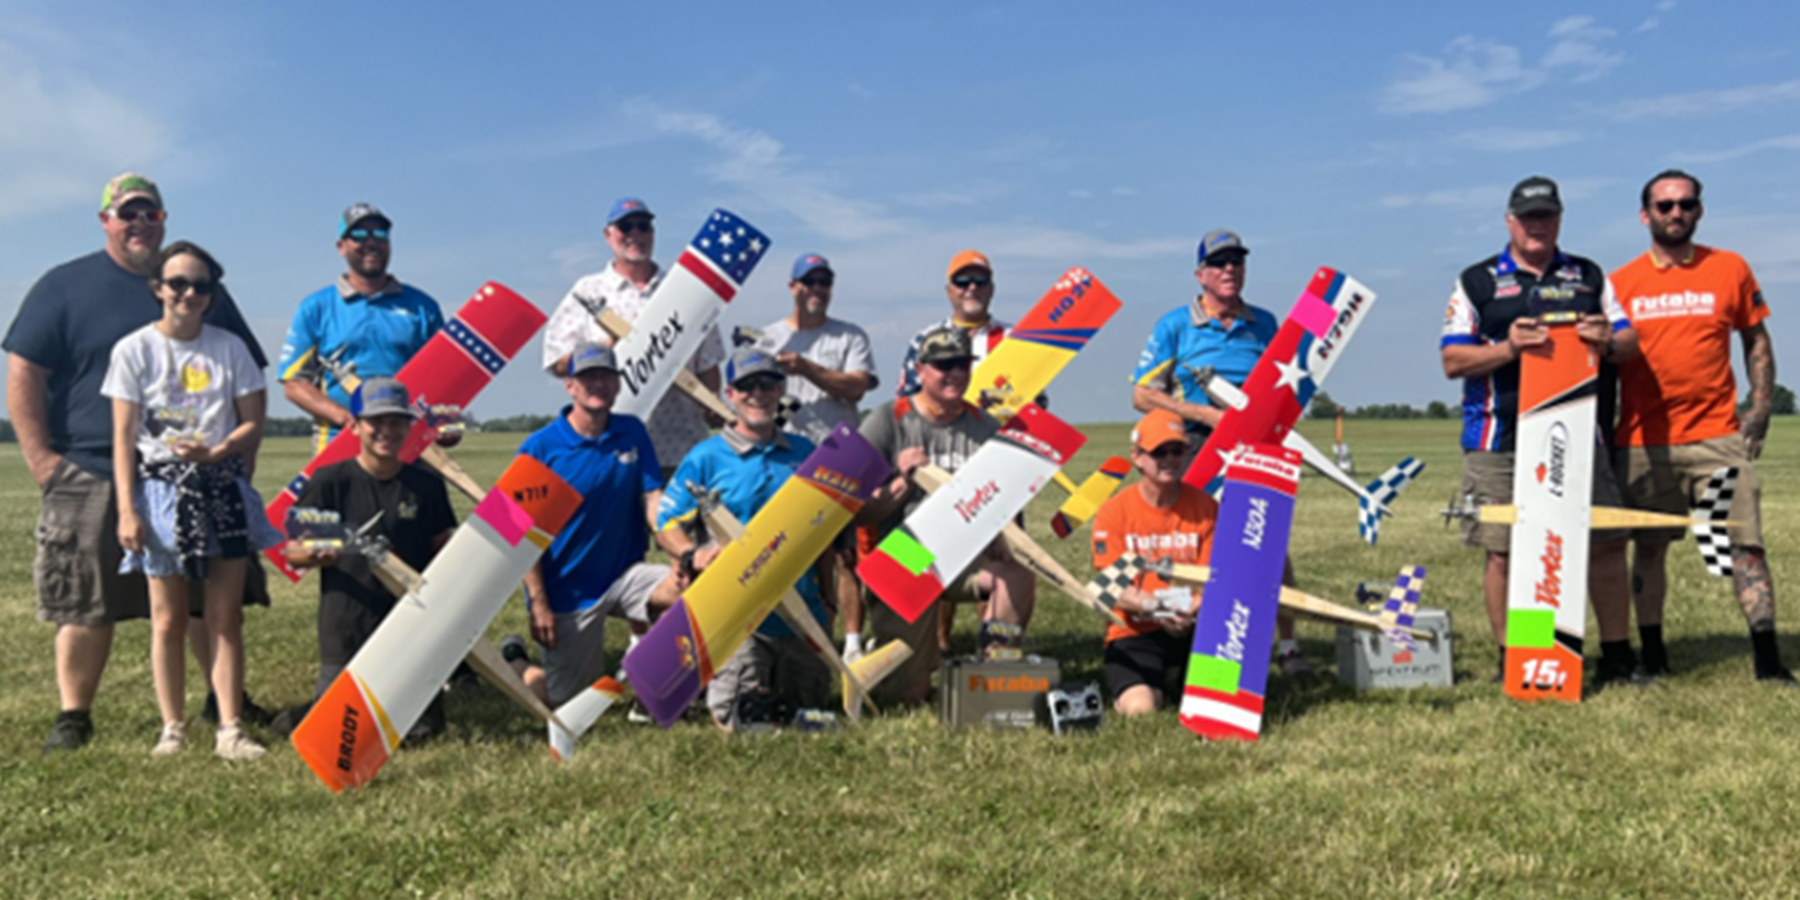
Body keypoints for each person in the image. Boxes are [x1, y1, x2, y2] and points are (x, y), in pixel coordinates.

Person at [5, 173, 267, 753]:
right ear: (106, 220)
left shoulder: (207, 290)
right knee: (85, 599)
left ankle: (223, 703)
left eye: (151, 213)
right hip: (90, 467)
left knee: (204, 601)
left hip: (200, 477)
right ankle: (74, 715)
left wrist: (234, 466)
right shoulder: (63, 286)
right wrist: (43, 460)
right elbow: (24, 370)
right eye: (128, 213)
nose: (140, 223)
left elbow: (248, 385)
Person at [1439, 175, 1647, 689]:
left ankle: (1617, 658)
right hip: (1498, 439)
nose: (1538, 225)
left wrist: (1607, 339)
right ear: (1509, 221)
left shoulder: (1588, 274)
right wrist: (1508, 348)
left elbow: (1630, 342)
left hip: (1577, 436)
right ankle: (1520, 655)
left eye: (1547, 216)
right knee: (1505, 552)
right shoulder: (1477, 281)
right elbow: (1453, 359)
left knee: (1605, 544)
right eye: (1529, 216)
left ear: (1559, 220)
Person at [1611, 169, 1795, 686]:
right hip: (1643, 442)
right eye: (1665, 205)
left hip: (1718, 438)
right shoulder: (1619, 283)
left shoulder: (1729, 268)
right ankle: (1653, 654)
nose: (1677, 213)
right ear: (1645, 215)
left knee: (1744, 544)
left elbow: (1755, 339)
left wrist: (1760, 407)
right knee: (1649, 548)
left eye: (1686, 204)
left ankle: (1768, 660)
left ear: (1700, 210)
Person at [103, 241, 284, 759]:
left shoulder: (231, 348)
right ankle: (173, 727)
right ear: (157, 288)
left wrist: (220, 451)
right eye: (178, 283)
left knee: (225, 617)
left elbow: (253, 422)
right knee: (168, 619)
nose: (189, 293)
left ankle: (230, 727)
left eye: (200, 285)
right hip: (161, 491)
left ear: (211, 293)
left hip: (221, 486)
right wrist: (128, 510)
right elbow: (123, 437)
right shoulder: (133, 350)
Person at [1129, 230, 1309, 674]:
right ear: (1200, 274)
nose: (1229, 269)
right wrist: (1205, 415)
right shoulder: (1175, 325)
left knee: (1267, 541)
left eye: (1236, 261)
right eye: (1219, 262)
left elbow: (1289, 384)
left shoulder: (1264, 323)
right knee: (1197, 543)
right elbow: (1142, 394)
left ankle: (1287, 646)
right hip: (1194, 447)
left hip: (1255, 448)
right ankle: (1194, 641)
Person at [853, 325, 1036, 704]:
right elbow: (856, 510)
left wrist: (1000, 534)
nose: (954, 373)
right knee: (908, 695)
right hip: (906, 552)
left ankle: (992, 677)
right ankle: (888, 657)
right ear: (920, 370)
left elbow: (1002, 498)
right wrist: (901, 482)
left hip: (962, 551)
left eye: (962, 365)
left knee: (1016, 577)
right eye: (943, 365)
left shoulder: (984, 426)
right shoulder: (887, 419)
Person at [655, 347, 835, 728]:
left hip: (803, 615)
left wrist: (830, 602)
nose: (758, 394)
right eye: (747, 386)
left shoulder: (805, 453)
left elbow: (825, 533)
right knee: (737, 720)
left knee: (810, 717)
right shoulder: (706, 457)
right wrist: (691, 555)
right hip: (740, 619)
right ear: (730, 395)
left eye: (768, 384)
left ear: (780, 390)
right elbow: (666, 522)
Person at [276, 378, 460, 739]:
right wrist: (314, 553)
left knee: (422, 733)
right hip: (347, 625)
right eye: (376, 421)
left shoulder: (426, 485)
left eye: (396, 422)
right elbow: (292, 552)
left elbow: (441, 548)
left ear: (408, 427)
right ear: (356, 426)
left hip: (409, 624)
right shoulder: (329, 482)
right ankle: (297, 718)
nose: (386, 431)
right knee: (336, 733)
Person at [517, 343, 679, 708]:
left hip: (625, 575)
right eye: (588, 377)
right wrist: (538, 602)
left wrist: (679, 553)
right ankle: (517, 663)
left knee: (693, 591)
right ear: (570, 386)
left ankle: (651, 682)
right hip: (568, 592)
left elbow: (653, 497)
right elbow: (520, 534)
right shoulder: (539, 448)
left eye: (606, 376)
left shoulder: (632, 431)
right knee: (566, 703)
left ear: (618, 384)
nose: (598, 385)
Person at [541, 197, 726, 477]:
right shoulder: (587, 291)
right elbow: (557, 361)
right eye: (625, 227)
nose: (635, 233)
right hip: (609, 451)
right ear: (608, 235)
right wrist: (606, 350)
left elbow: (708, 361)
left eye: (643, 226)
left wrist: (712, 402)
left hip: (680, 448)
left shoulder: (685, 292)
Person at [276, 203, 445, 452]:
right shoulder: (315, 307)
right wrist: (348, 420)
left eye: (380, 234)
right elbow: (294, 384)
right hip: (338, 444)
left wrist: (447, 423)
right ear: (341, 246)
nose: (371, 242)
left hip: (407, 444)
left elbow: (446, 375)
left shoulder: (423, 307)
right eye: (359, 235)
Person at [1090, 409, 1219, 716]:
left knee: (1214, 703)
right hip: (1135, 633)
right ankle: (1155, 687)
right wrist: (1158, 608)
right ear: (1137, 457)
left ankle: (1182, 681)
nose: (1170, 459)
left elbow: (1214, 579)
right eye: (1160, 452)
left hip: (1198, 627)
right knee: (1141, 709)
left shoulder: (1206, 508)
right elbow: (1111, 589)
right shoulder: (1114, 512)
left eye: (1178, 451)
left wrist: (1191, 609)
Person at [748, 253, 879, 444]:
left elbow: (857, 388)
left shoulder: (851, 336)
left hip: (838, 447)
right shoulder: (766, 339)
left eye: (824, 282)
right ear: (793, 287)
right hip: (785, 448)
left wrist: (806, 368)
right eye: (809, 282)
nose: (817, 288)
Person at [894, 250, 1011, 400]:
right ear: (949, 291)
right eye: (962, 282)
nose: (972, 288)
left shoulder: (1015, 338)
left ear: (992, 289)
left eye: (980, 281)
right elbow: (907, 400)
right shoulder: (924, 340)